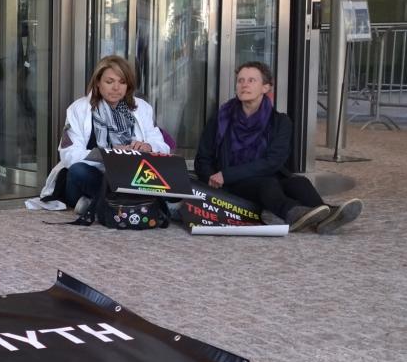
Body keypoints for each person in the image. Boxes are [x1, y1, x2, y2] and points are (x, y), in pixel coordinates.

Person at [195, 61, 362, 233]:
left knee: (300, 183)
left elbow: (273, 162)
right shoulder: (221, 118)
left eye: (251, 80)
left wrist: (225, 175)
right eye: (240, 80)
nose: (244, 84)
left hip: (264, 176)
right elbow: (202, 158)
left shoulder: (280, 122)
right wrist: (212, 179)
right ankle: (295, 214)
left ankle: (327, 216)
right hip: (233, 182)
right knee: (267, 184)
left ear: (265, 87)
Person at [37, 55, 170, 211]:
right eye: (109, 82)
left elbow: (163, 147)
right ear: (98, 83)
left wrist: (148, 146)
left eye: (122, 82)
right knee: (78, 171)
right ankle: (125, 202)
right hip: (94, 177)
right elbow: (69, 155)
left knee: (172, 177)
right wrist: (110, 154)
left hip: (130, 177)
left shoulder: (142, 108)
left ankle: (101, 204)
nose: (116, 88)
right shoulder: (78, 109)